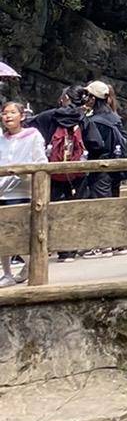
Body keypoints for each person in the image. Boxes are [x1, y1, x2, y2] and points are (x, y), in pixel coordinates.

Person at [0, 101, 45, 286]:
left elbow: (41, 160)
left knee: (19, 233)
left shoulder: (33, 136)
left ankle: (29, 266)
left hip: (21, 190)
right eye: (4, 113)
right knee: (2, 234)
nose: (8, 116)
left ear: (22, 116)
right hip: (1, 191)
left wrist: (25, 174)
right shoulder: (1, 139)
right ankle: (7, 273)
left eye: (12, 112)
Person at [77, 82, 127, 199]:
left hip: (100, 170)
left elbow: (95, 145)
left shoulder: (94, 121)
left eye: (87, 95)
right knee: (113, 202)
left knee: (100, 206)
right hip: (116, 167)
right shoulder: (115, 117)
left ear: (93, 98)